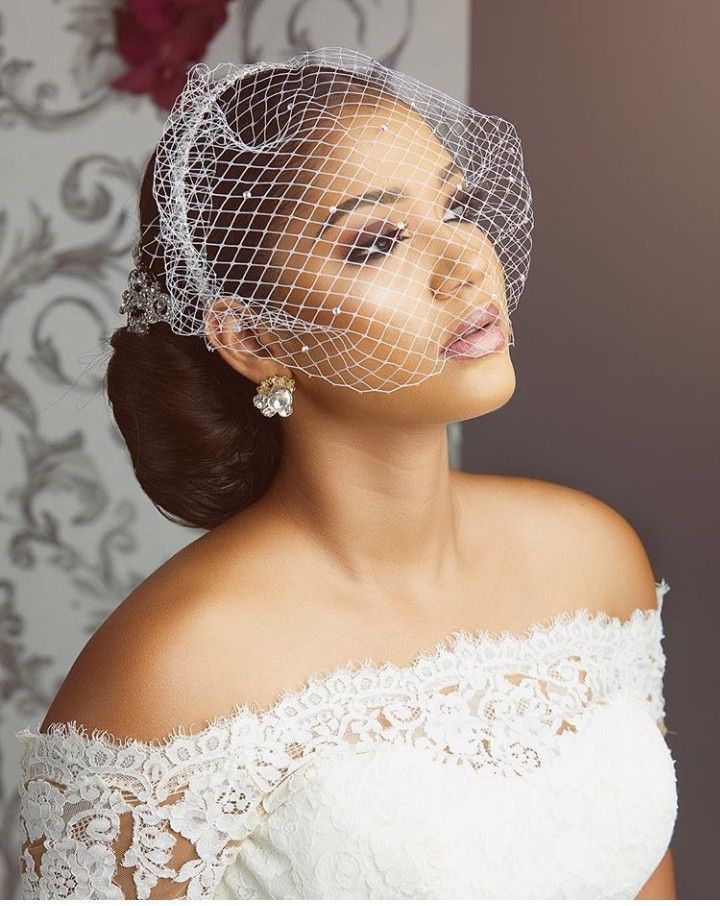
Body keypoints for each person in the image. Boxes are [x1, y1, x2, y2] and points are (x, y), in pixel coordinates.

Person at [15, 48, 677, 899]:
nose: (467, 263)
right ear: (252, 339)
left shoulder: (591, 554)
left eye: (456, 207)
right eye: (377, 242)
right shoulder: (173, 669)